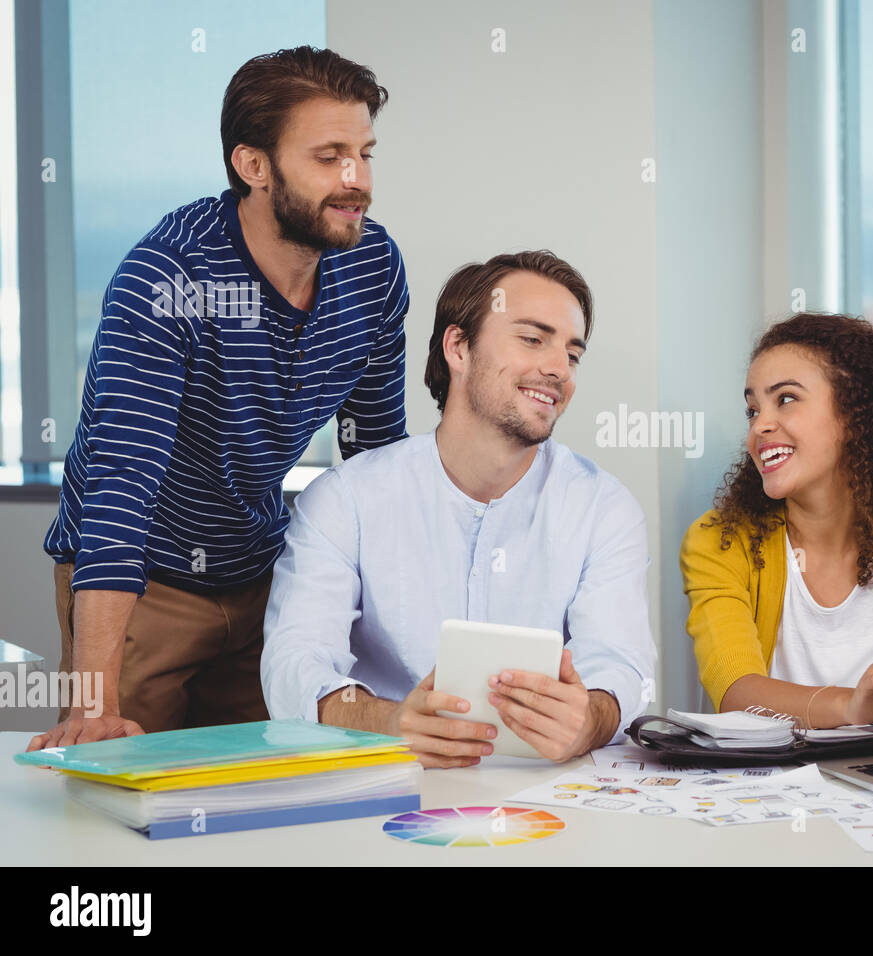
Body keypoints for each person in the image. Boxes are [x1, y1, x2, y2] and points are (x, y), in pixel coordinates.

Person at [28, 46, 409, 750]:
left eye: (364, 153)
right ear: (254, 165)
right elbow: (120, 487)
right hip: (145, 584)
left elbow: (376, 464)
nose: (357, 181)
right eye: (329, 157)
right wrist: (93, 706)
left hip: (265, 572)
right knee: (122, 787)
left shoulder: (373, 267)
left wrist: (393, 656)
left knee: (269, 791)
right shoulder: (168, 278)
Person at [260, 251, 657, 768]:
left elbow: (621, 665)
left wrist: (590, 720)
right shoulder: (344, 499)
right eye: (533, 339)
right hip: (386, 791)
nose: (559, 368)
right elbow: (294, 664)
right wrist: (391, 722)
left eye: (573, 353)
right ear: (459, 347)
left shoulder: (605, 508)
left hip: (545, 803)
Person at [680, 313, 873, 728]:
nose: (760, 425)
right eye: (752, 409)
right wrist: (853, 706)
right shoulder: (719, 542)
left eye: (786, 399)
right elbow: (737, 693)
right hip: (768, 788)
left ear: (854, 414)